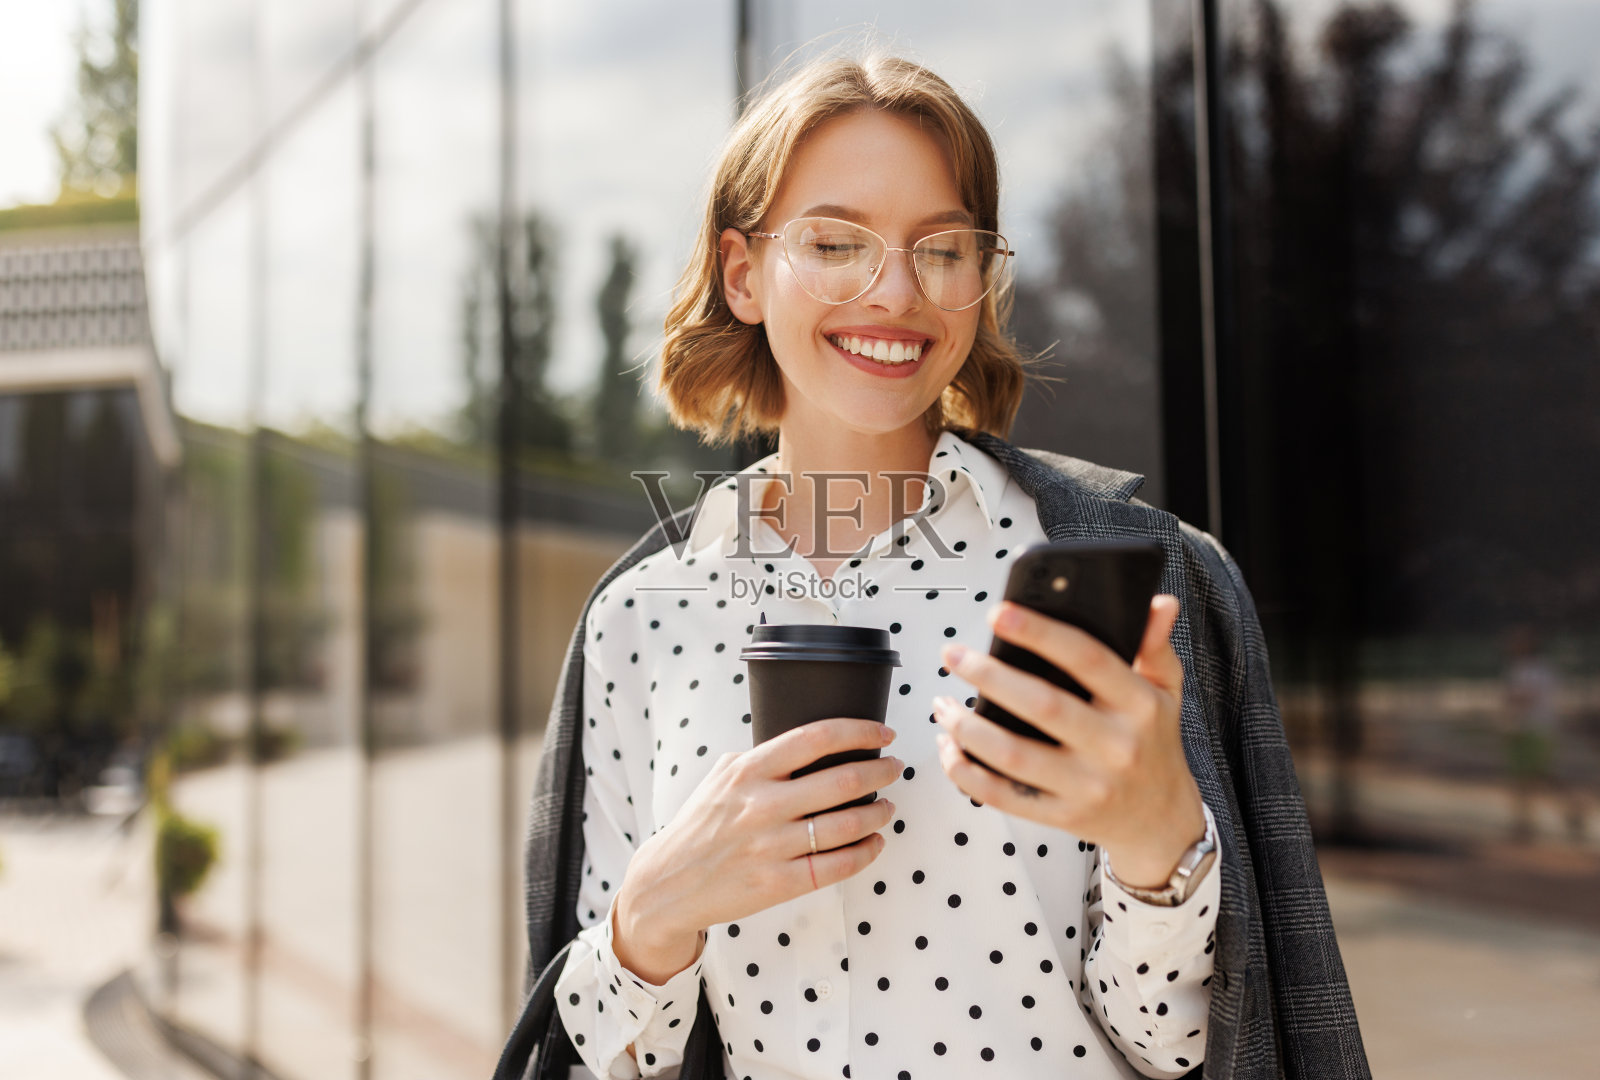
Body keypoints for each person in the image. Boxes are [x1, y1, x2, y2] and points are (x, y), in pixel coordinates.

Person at [519, 54, 1368, 1080]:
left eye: (943, 248)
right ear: (742, 273)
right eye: (835, 243)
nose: (894, 292)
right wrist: (650, 917)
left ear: (980, 278)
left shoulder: (1139, 579)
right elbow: (605, 1064)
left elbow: (1184, 1047)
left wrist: (1156, 841)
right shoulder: (640, 616)